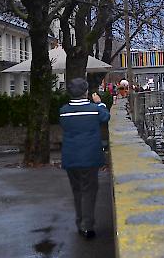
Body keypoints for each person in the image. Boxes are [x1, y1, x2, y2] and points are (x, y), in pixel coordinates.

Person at [59, 78, 110, 239]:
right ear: (86, 92)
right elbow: (105, 117)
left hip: (70, 157)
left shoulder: (63, 111)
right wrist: (100, 102)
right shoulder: (94, 109)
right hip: (89, 157)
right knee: (89, 190)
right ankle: (87, 226)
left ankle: (80, 221)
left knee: (77, 191)